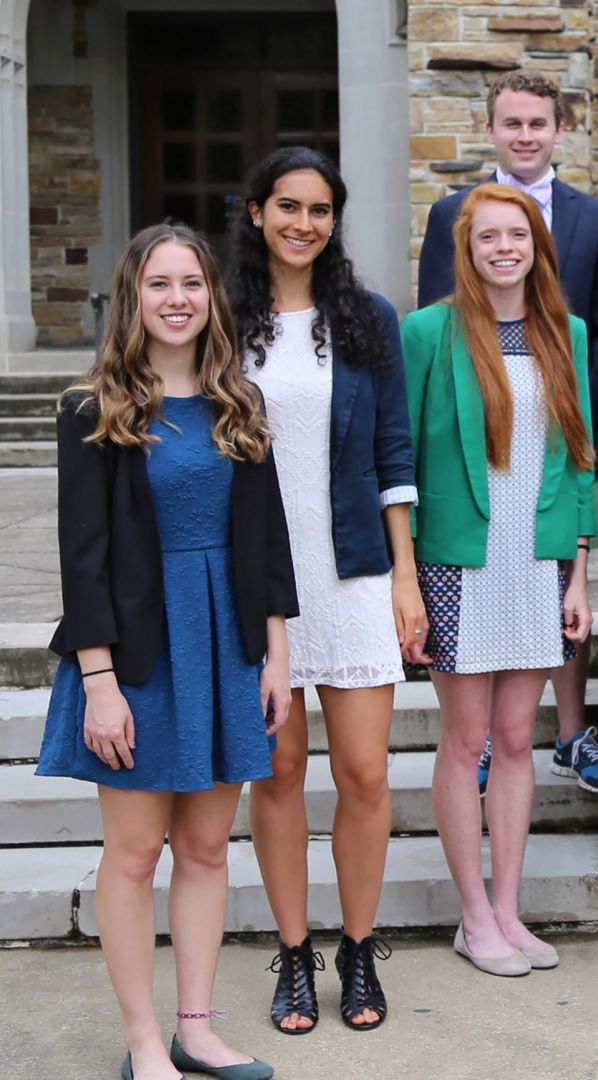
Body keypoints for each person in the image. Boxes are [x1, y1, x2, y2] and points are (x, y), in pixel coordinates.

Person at [40, 223, 292, 1080]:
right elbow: (84, 558)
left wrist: (277, 656)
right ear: (133, 298)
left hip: (226, 644)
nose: (177, 299)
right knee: (136, 852)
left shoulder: (241, 404)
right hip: (137, 653)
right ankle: (144, 1040)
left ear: (211, 296)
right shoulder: (94, 409)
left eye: (192, 282)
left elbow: (268, 540)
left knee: (210, 849)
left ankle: (197, 1028)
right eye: (159, 284)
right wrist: (100, 682)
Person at [229, 146, 418, 1035]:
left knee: (366, 772)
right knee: (276, 773)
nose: (303, 223)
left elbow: (392, 459)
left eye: (320, 209)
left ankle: (358, 948)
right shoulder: (226, 319)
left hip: (352, 574)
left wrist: (407, 579)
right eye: (287, 206)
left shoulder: (366, 319)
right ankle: (296, 958)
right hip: (256, 576)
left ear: (335, 222)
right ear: (257, 212)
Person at [403, 183, 596, 977]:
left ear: (536, 245)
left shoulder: (567, 334)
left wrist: (581, 573)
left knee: (519, 739)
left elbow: (583, 459)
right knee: (468, 738)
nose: (504, 248)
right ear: (468, 247)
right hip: (457, 558)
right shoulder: (428, 333)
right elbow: (402, 458)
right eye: (489, 237)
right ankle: (471, 916)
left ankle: (509, 909)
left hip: (538, 556)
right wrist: (404, 575)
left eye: (518, 235)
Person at [419, 69, 598, 795]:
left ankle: (570, 732)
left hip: (564, 428)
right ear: (491, 131)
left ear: (559, 130)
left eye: (538, 124)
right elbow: (435, 324)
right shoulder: (452, 211)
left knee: (563, 586)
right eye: (512, 124)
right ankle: (477, 740)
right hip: (474, 446)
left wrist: (571, 415)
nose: (525, 135)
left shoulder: (593, 218)